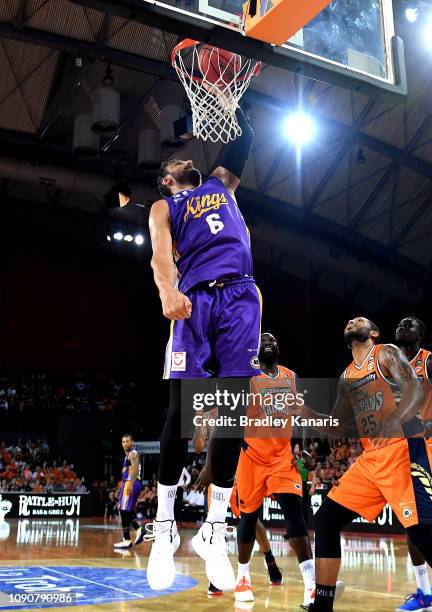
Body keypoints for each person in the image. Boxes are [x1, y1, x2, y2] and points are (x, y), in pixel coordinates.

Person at [147, 105, 260, 591]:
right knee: (182, 409)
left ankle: (215, 527)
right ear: (165, 179)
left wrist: (242, 111)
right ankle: (166, 526)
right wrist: (167, 290)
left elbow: (242, 146)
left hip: (239, 295)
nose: (183, 160)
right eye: (174, 162)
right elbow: (158, 255)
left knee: (232, 410)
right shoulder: (163, 207)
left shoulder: (219, 185)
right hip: (194, 301)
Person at [293, 317, 429, 612]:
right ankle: (323, 604)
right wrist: (305, 412)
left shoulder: (386, 353)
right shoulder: (346, 377)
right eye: (349, 321)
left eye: (361, 320)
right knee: (326, 518)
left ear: (374, 333)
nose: (353, 321)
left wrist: (391, 422)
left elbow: (416, 392)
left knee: (422, 534)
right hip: (370, 459)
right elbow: (338, 427)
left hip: (402, 450)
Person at [395, 316, 432, 612]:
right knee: (412, 521)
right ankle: (424, 593)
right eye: (400, 324)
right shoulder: (389, 366)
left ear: (421, 335)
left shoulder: (427, 362)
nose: (402, 326)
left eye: (410, 324)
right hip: (403, 452)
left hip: (428, 447)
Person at [113, 434, 143, 549]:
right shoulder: (128, 455)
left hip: (131, 483)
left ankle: (128, 538)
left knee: (124, 510)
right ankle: (136, 530)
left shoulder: (133, 453)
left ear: (132, 442)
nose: (125, 443)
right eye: (123, 441)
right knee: (124, 510)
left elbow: (135, 469)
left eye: (127, 441)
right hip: (127, 483)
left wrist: (130, 483)